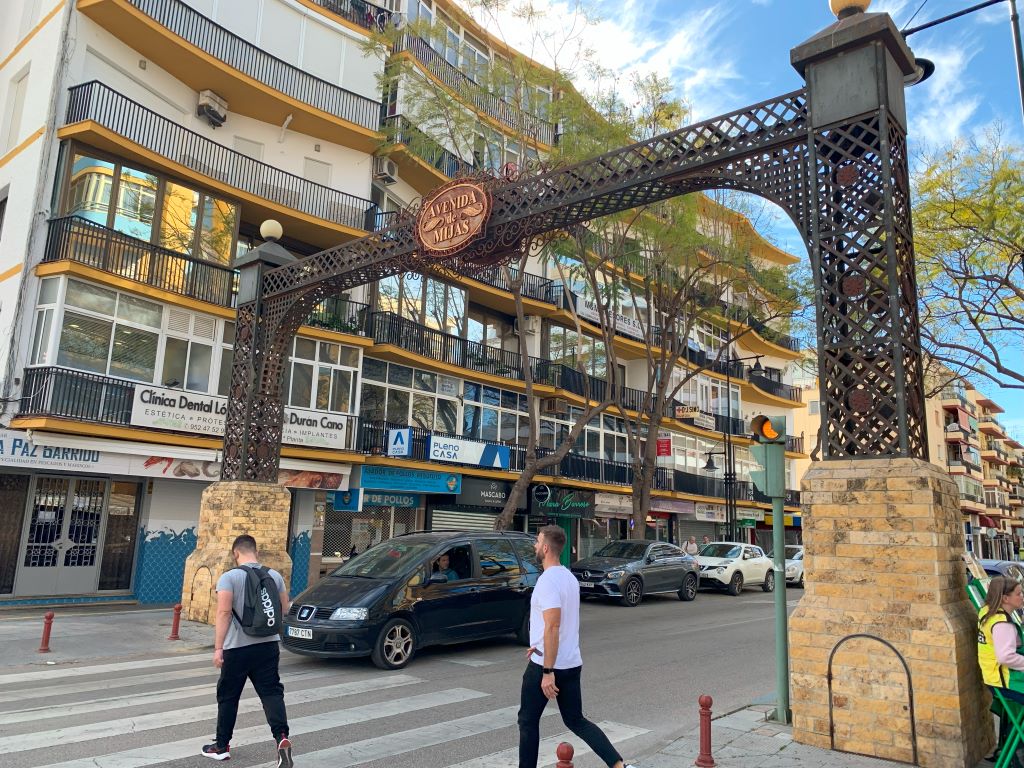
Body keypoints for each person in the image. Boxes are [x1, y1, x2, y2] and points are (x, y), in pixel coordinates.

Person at [518, 525, 637, 768]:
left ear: (546, 547)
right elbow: (557, 625)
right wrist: (537, 644)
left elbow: (553, 625)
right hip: (571, 663)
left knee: (527, 721)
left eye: (537, 541)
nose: (535, 546)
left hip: (548, 665)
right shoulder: (569, 578)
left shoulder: (548, 581)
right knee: (575, 720)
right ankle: (619, 765)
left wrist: (547, 672)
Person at [204, 535, 293, 768]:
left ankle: (221, 747)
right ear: (256, 552)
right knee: (272, 693)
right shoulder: (275, 576)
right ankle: (281, 737)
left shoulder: (229, 577)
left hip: (237, 648)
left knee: (228, 696)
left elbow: (223, 613)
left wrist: (218, 648)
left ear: (236, 553)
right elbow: (284, 609)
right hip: (268, 645)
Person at [977, 575, 1024, 766]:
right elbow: (1005, 657)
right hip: (1004, 682)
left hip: (993, 679)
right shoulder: (1002, 623)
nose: (1022, 597)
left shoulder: (987, 612)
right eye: (1019, 593)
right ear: (1005, 598)